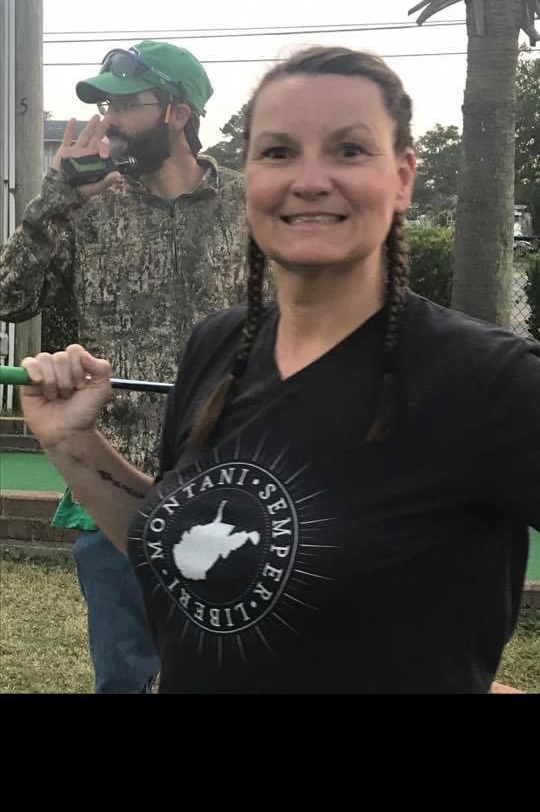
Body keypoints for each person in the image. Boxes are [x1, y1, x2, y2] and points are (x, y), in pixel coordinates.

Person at [18, 46, 540, 693]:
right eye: (278, 152)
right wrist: (72, 442)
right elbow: (182, 549)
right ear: (253, 178)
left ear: (403, 176)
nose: (309, 179)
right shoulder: (218, 347)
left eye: (349, 150)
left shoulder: (484, 381)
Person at [0, 41, 249, 693]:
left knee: (229, 673)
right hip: (109, 480)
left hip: (230, 483)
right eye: (104, 105)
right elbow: (8, 297)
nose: (108, 120)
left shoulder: (251, 204)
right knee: (123, 679)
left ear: (177, 112)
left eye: (125, 104)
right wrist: (57, 196)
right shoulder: (89, 205)